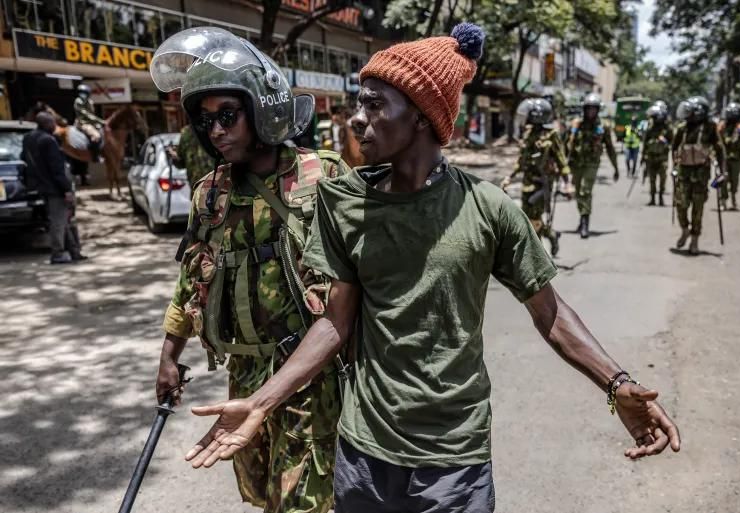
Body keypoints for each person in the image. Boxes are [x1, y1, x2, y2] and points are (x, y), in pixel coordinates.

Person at [184, 23, 681, 513]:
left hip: (454, 462)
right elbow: (335, 322)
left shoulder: (488, 208)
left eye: (375, 105)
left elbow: (549, 313)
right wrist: (260, 403)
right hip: (364, 455)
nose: (357, 120)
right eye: (360, 103)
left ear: (422, 116)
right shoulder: (341, 203)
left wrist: (616, 386)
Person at [149, 27, 350, 512]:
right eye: (206, 119)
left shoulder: (322, 176)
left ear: (263, 108)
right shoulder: (209, 193)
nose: (216, 129)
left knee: (304, 504)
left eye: (227, 115)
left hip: (309, 376)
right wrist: (169, 356)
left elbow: (367, 281)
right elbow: (190, 281)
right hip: (244, 372)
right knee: (261, 496)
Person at [500, 98, 570, 256]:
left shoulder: (551, 135)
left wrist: (567, 183)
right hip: (527, 182)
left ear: (537, 116)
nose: (525, 119)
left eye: (528, 116)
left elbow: (561, 159)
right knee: (527, 218)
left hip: (542, 184)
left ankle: (535, 256)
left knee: (533, 219)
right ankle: (551, 234)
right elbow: (521, 160)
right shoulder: (528, 133)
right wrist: (510, 177)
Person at [21, 112, 87, 264]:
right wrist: (66, 190)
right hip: (55, 187)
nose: (54, 126)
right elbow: (56, 169)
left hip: (41, 186)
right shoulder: (49, 141)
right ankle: (57, 253)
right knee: (59, 221)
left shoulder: (28, 138)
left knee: (65, 220)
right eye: (52, 123)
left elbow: (24, 158)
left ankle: (74, 251)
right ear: (46, 124)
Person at [672, 96, 726, 255]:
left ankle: (695, 240)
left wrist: (722, 172)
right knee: (680, 205)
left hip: (701, 175)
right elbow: (674, 148)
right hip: (683, 173)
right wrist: (674, 167)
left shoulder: (710, 128)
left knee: (698, 208)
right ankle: (684, 229)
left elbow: (720, 149)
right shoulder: (682, 128)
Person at [567, 93, 620, 239]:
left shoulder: (603, 126)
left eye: (594, 109)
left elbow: (610, 148)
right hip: (576, 164)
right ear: (584, 109)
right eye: (588, 109)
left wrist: (616, 167)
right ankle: (582, 216)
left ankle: (585, 224)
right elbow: (566, 145)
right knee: (578, 193)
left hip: (592, 164)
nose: (591, 112)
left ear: (598, 110)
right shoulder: (576, 124)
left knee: (585, 190)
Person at [717, 102, 740, 210]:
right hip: (724, 157)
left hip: (736, 157)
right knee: (723, 179)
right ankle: (723, 200)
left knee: (734, 180)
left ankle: (733, 199)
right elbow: (716, 141)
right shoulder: (722, 125)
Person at [167, 124, 216, 197]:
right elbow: (182, 162)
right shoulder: (212, 127)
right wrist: (174, 157)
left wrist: (174, 155)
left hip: (212, 187)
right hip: (204, 189)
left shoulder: (187, 133)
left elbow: (181, 162)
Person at [640, 103, 674, 206]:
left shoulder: (667, 129)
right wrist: (643, 157)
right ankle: (652, 198)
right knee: (652, 179)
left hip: (662, 158)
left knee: (662, 179)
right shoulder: (650, 128)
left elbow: (673, 143)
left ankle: (660, 197)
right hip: (651, 157)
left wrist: (665, 142)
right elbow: (645, 143)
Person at [73, 84, 104, 162]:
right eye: (81, 92)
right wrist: (100, 121)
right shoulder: (78, 101)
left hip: (91, 122)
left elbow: (92, 114)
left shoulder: (90, 101)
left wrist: (98, 123)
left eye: (84, 92)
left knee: (103, 131)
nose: (82, 94)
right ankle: (95, 156)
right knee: (96, 136)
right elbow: (86, 114)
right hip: (82, 123)